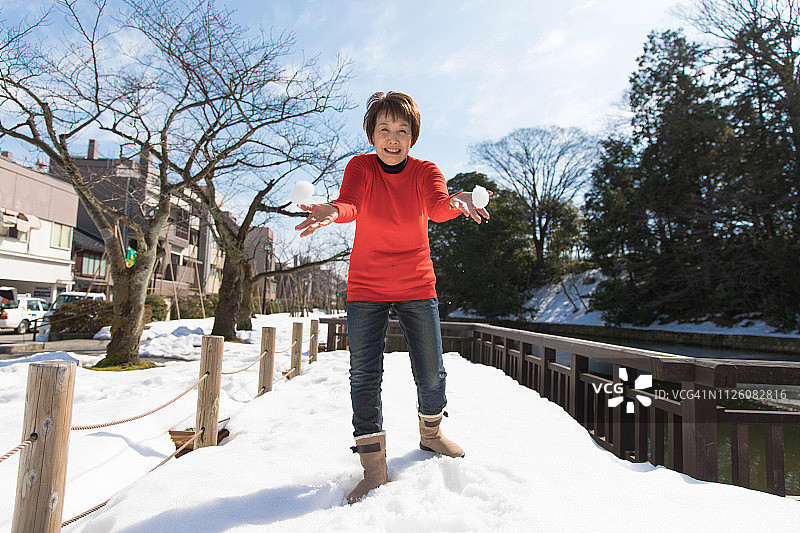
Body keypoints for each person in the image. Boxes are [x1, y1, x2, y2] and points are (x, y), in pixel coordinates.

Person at [294, 91, 490, 504]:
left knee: (432, 370)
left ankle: (432, 434)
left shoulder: (425, 171)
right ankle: (374, 467)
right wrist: (332, 209)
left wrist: (458, 202)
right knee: (364, 375)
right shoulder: (361, 167)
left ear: (413, 135)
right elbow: (351, 204)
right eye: (384, 129)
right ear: (372, 134)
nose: (393, 137)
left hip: (417, 283)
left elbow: (438, 207)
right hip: (367, 285)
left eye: (402, 130)